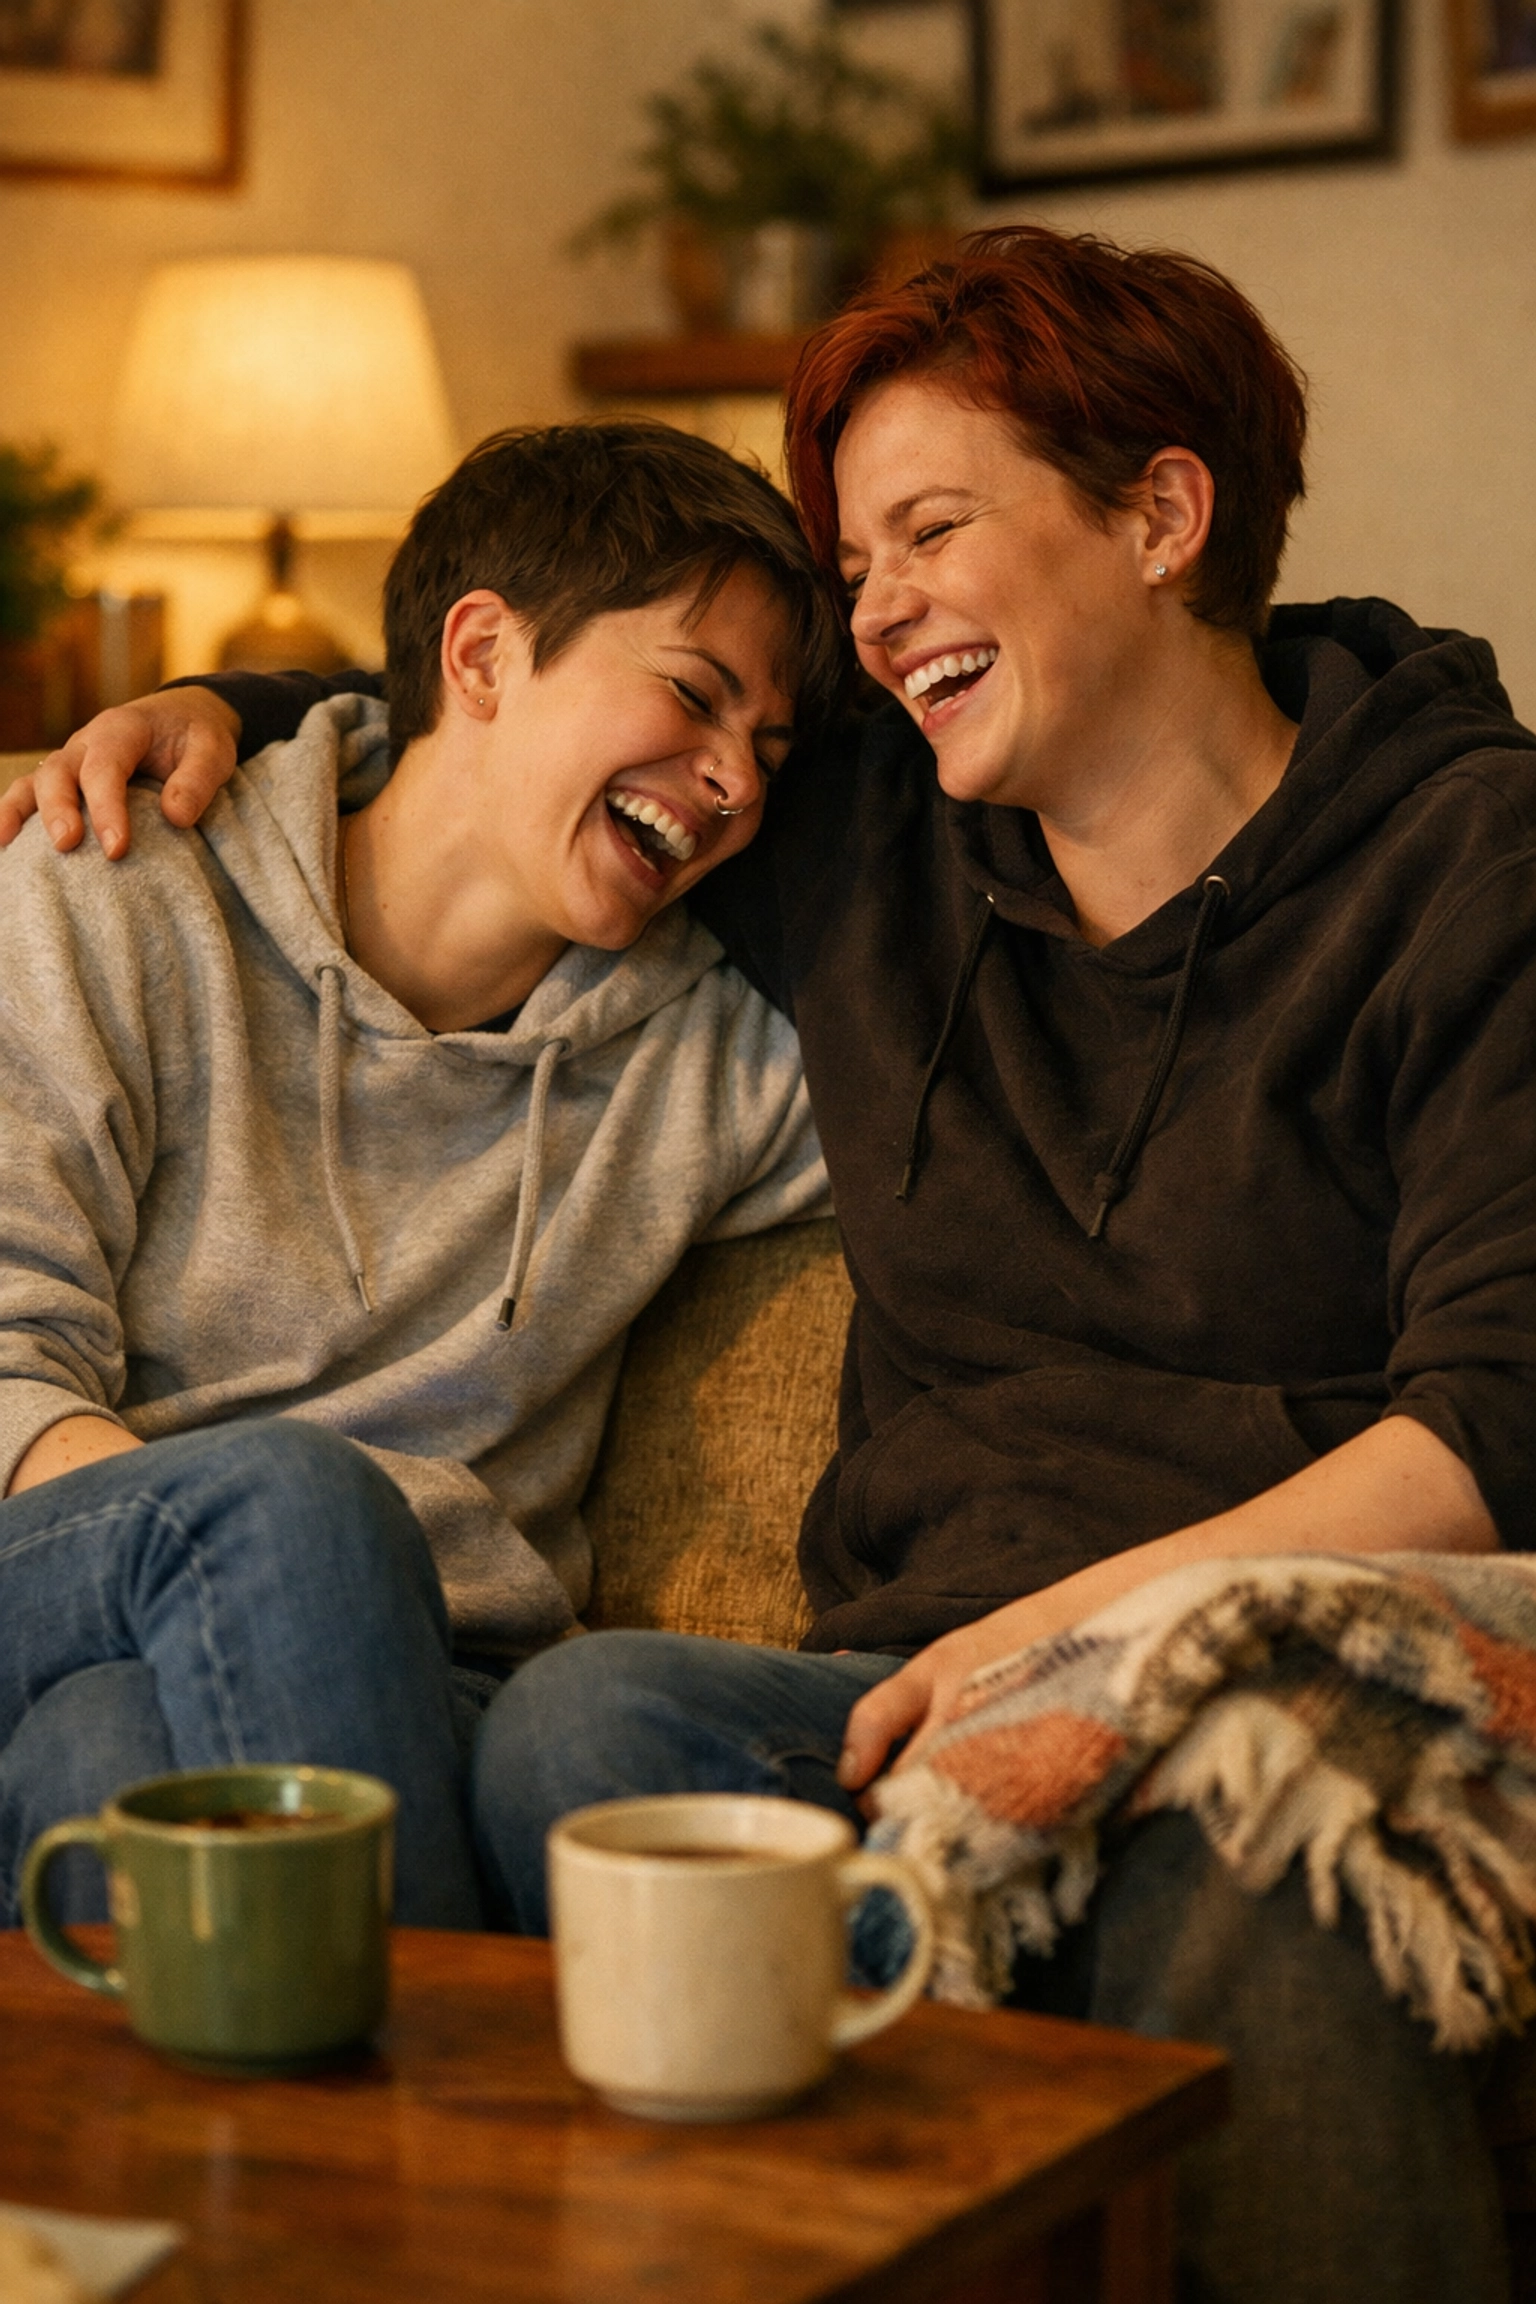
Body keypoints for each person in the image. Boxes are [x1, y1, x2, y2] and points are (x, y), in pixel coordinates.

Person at [16, 228, 1536, 2301]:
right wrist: (206, 705)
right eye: (857, 562)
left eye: (925, 533)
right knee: (566, 1718)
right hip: (855, 1680)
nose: (878, 615)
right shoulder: (880, 844)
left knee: (1233, 1866)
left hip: (1277, 1657)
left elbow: (1499, 1414)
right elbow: (513, 725)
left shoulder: (1463, 864)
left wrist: (1072, 1653)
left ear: (1164, 514)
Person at [0, 419, 838, 1933]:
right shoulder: (112, 882)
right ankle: (454, 2133)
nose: (730, 786)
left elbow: (1003, 1110)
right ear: (481, 655)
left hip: (425, 1687)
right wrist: (253, 1568)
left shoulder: (708, 1056)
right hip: (54, 1561)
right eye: (695, 696)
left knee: (109, 1756)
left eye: (768, 755)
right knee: (283, 1504)